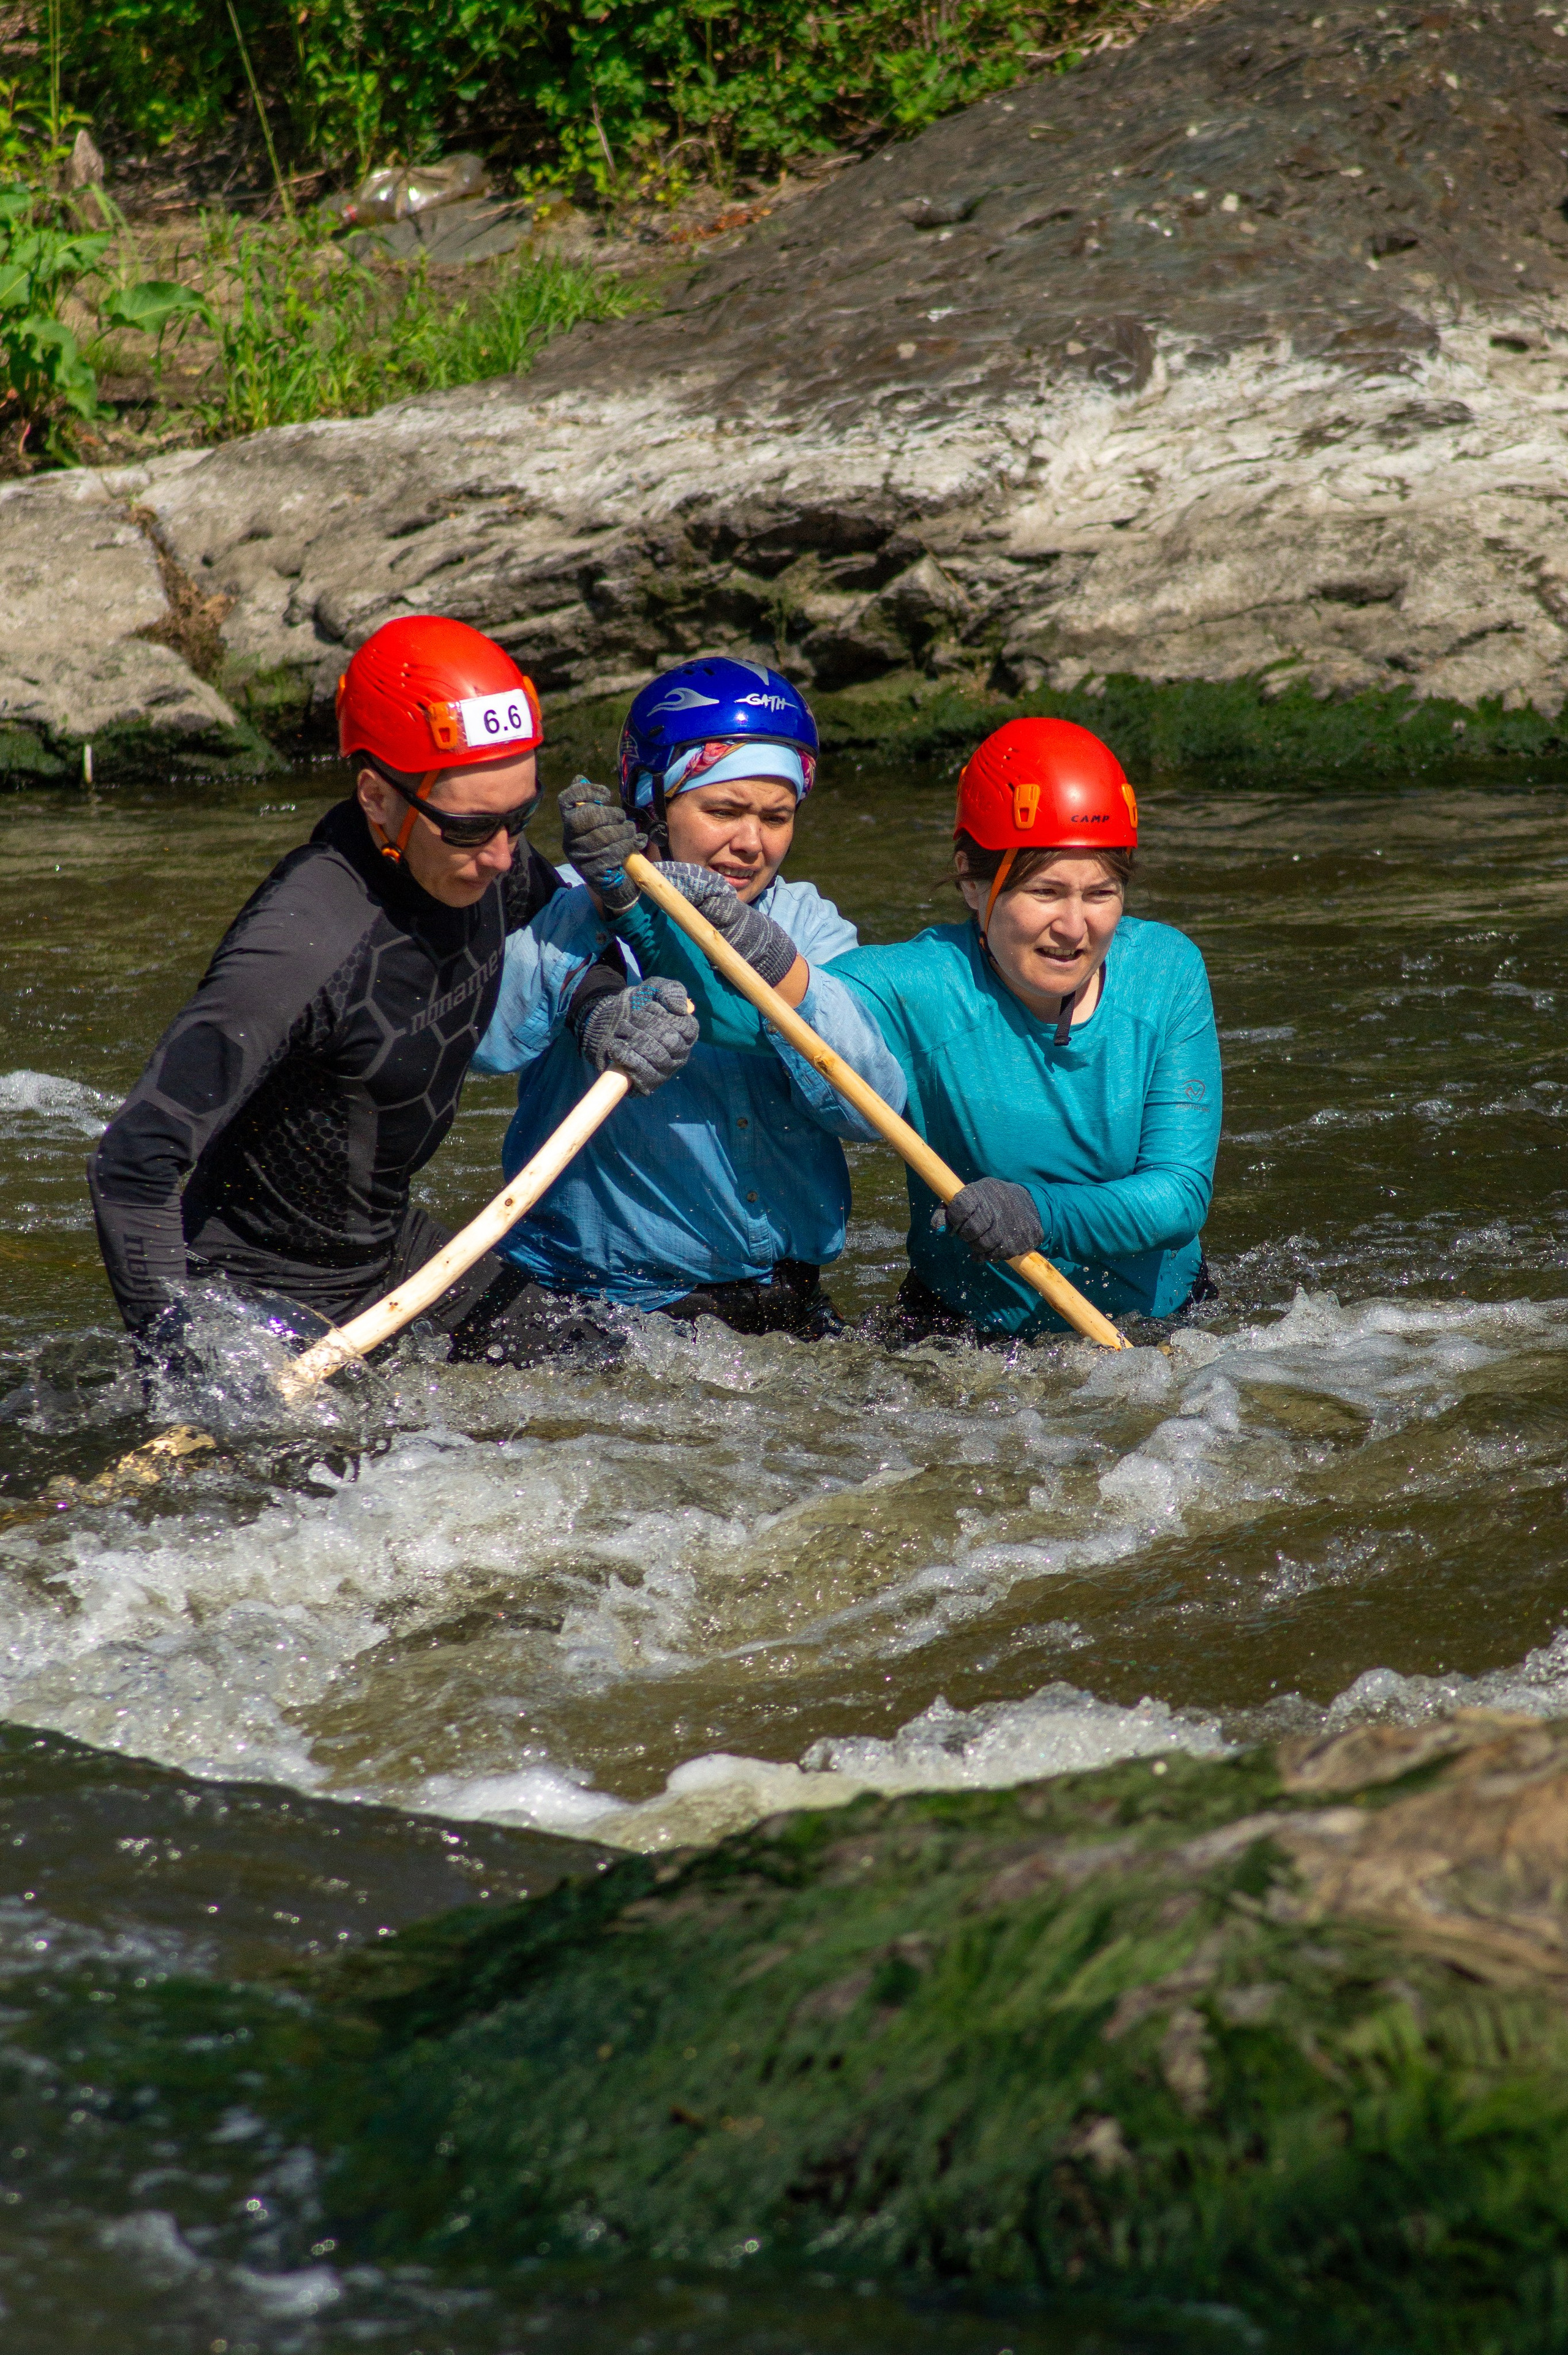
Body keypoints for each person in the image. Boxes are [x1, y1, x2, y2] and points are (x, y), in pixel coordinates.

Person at [88, 615, 696, 1368]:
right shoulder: (298, 945)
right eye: (475, 827)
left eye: (522, 816)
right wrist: (180, 1357)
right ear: (377, 796)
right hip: (258, 1292)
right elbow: (132, 1159)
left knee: (618, 1373)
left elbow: (558, 932)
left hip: (390, 1254)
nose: (507, 857)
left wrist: (602, 1005)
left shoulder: (471, 857)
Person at [471, 657, 907, 1338]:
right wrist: (599, 915)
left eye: (778, 815)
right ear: (652, 801)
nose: (751, 842)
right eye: (724, 810)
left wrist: (771, 959)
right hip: (592, 1302)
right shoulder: (563, 897)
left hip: (779, 1303)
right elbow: (487, 1041)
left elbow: (871, 1107)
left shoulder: (809, 926)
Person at [826, 718, 1221, 1343]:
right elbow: (765, 1007)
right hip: (962, 1332)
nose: (1074, 926)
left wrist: (1038, 1210)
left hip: (1159, 1322)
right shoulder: (919, 983)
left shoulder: (1165, 969)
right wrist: (626, 908)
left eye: (1101, 892)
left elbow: (1178, 1197)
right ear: (972, 879)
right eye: (1044, 890)